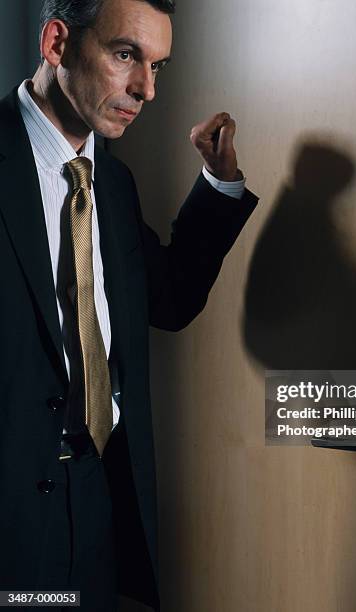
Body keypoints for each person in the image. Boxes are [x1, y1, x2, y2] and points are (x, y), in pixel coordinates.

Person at [0, 0, 258, 610]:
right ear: (58, 44)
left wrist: (218, 184)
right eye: (126, 56)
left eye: (158, 67)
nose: (145, 88)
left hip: (98, 498)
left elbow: (166, 300)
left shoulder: (110, 184)